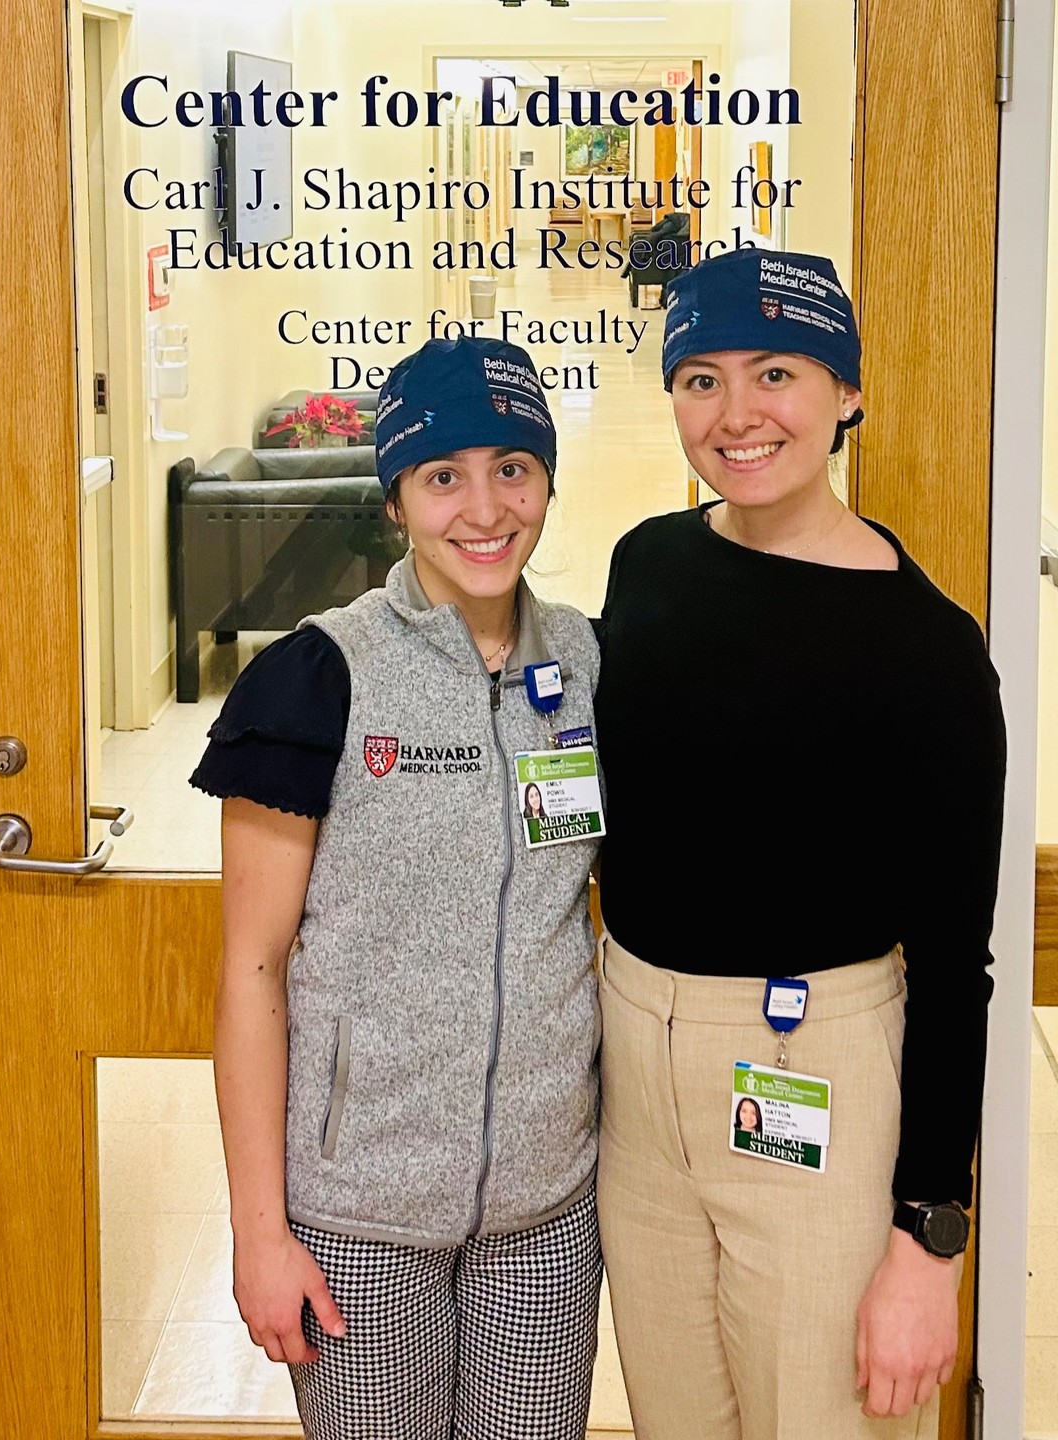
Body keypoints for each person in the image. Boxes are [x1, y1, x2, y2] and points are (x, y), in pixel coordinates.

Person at [592, 248, 1007, 1439]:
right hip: (638, 1075)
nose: (737, 415)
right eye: (701, 379)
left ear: (847, 393)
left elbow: (955, 965)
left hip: (812, 1062)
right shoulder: (649, 564)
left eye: (776, 372)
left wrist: (929, 1242)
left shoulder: (924, 649)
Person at [193, 336, 605, 1440]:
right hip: (357, 1218)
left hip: (548, 1213)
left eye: (513, 468)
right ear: (395, 501)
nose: (484, 508)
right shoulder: (318, 679)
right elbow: (251, 970)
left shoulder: (594, 668)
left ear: (550, 482)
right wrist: (259, 1230)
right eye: (443, 476)